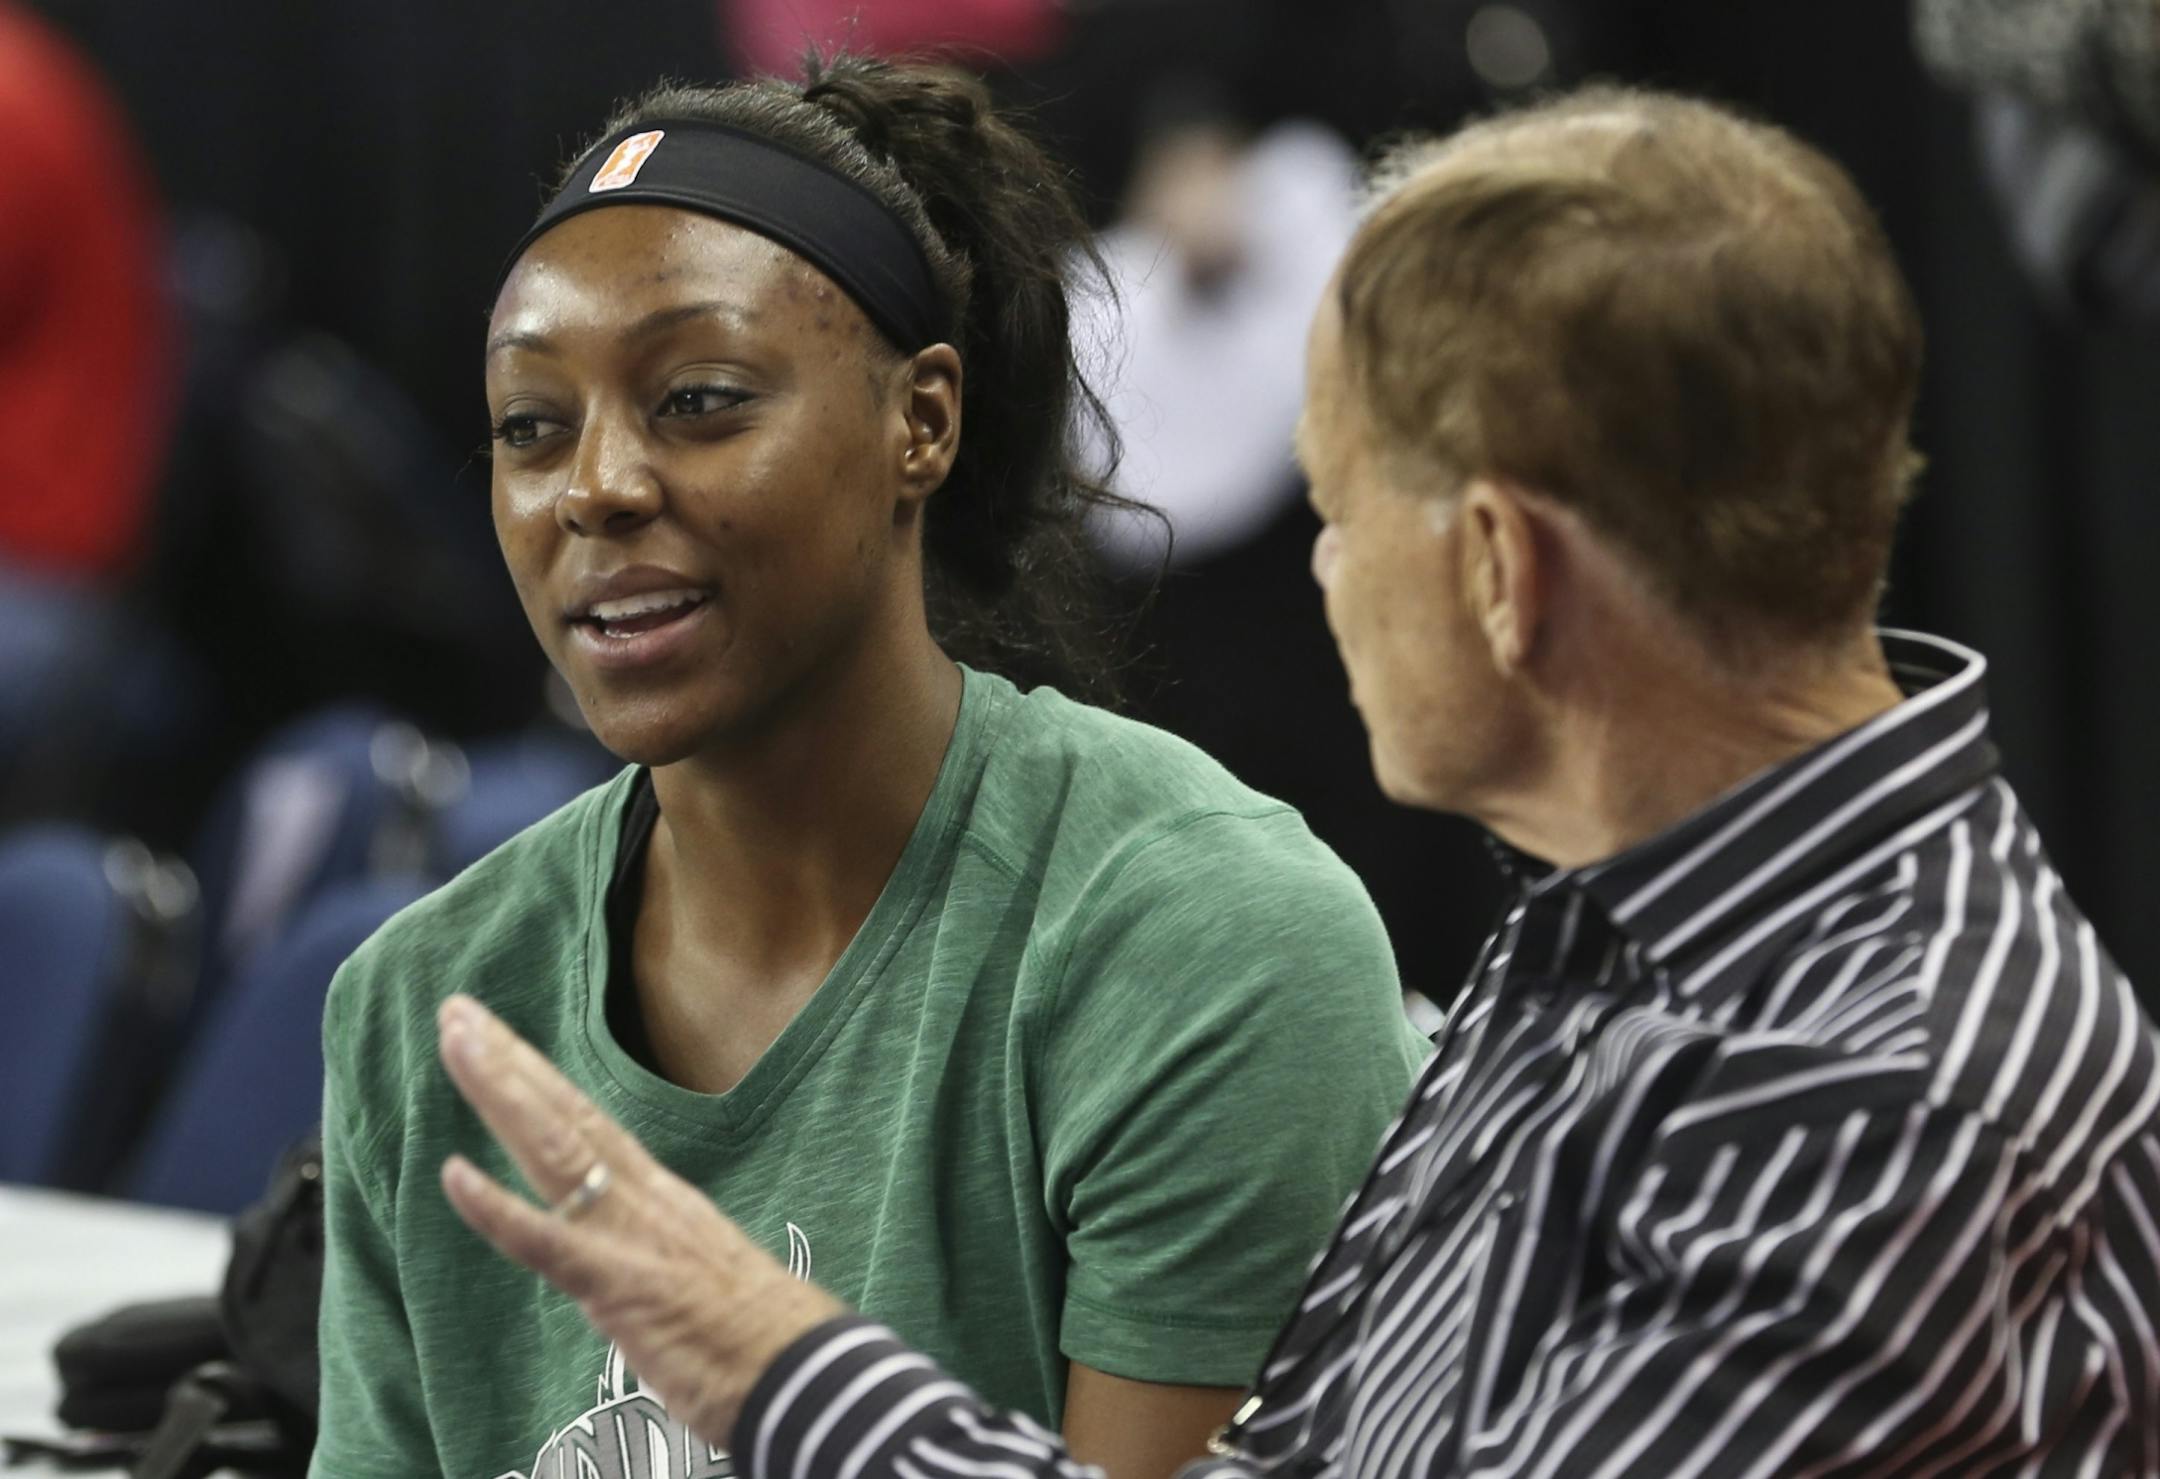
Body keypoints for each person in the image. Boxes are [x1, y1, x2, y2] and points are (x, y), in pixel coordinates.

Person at [429, 83, 2160, 1476]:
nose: (1324, 582)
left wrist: (778, 1363)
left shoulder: (1872, 1079)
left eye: (1335, 514)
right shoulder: (1639, 935)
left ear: (1500, 567)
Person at [309, 55, 1428, 1479]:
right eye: (532, 427)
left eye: (700, 399)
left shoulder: (1200, 943)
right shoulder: (423, 1004)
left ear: (924, 421)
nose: (593, 486)